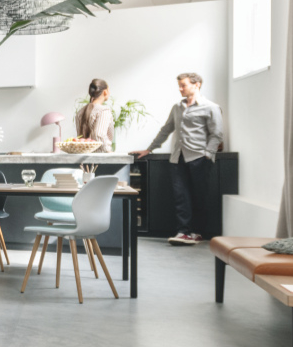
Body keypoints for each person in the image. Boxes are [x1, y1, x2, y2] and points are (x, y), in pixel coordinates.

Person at [134, 71, 223, 246]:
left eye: (184, 85)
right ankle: (184, 232)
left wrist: (207, 154)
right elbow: (166, 129)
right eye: (179, 86)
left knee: (199, 196)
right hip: (178, 158)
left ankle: (197, 233)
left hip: (199, 157)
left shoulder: (211, 107)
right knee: (181, 196)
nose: (180, 89)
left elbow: (217, 134)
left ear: (196, 85)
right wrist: (150, 148)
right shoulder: (177, 107)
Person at [75, 78, 113, 145]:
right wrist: (108, 150)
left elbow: (80, 137)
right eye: (109, 90)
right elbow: (98, 135)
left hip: (82, 153)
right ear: (105, 92)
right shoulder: (104, 111)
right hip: (100, 154)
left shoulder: (80, 111)